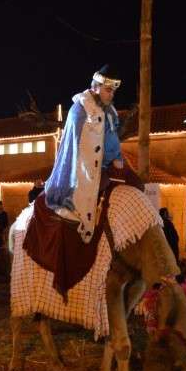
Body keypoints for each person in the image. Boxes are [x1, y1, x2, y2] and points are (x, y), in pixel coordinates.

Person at [43, 65, 141, 243]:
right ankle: (89, 238)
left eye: (113, 92)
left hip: (112, 163)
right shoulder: (80, 111)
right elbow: (76, 146)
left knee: (138, 185)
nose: (111, 95)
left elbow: (112, 140)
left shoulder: (109, 111)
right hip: (89, 168)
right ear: (96, 87)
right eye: (108, 90)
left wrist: (117, 158)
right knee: (96, 193)